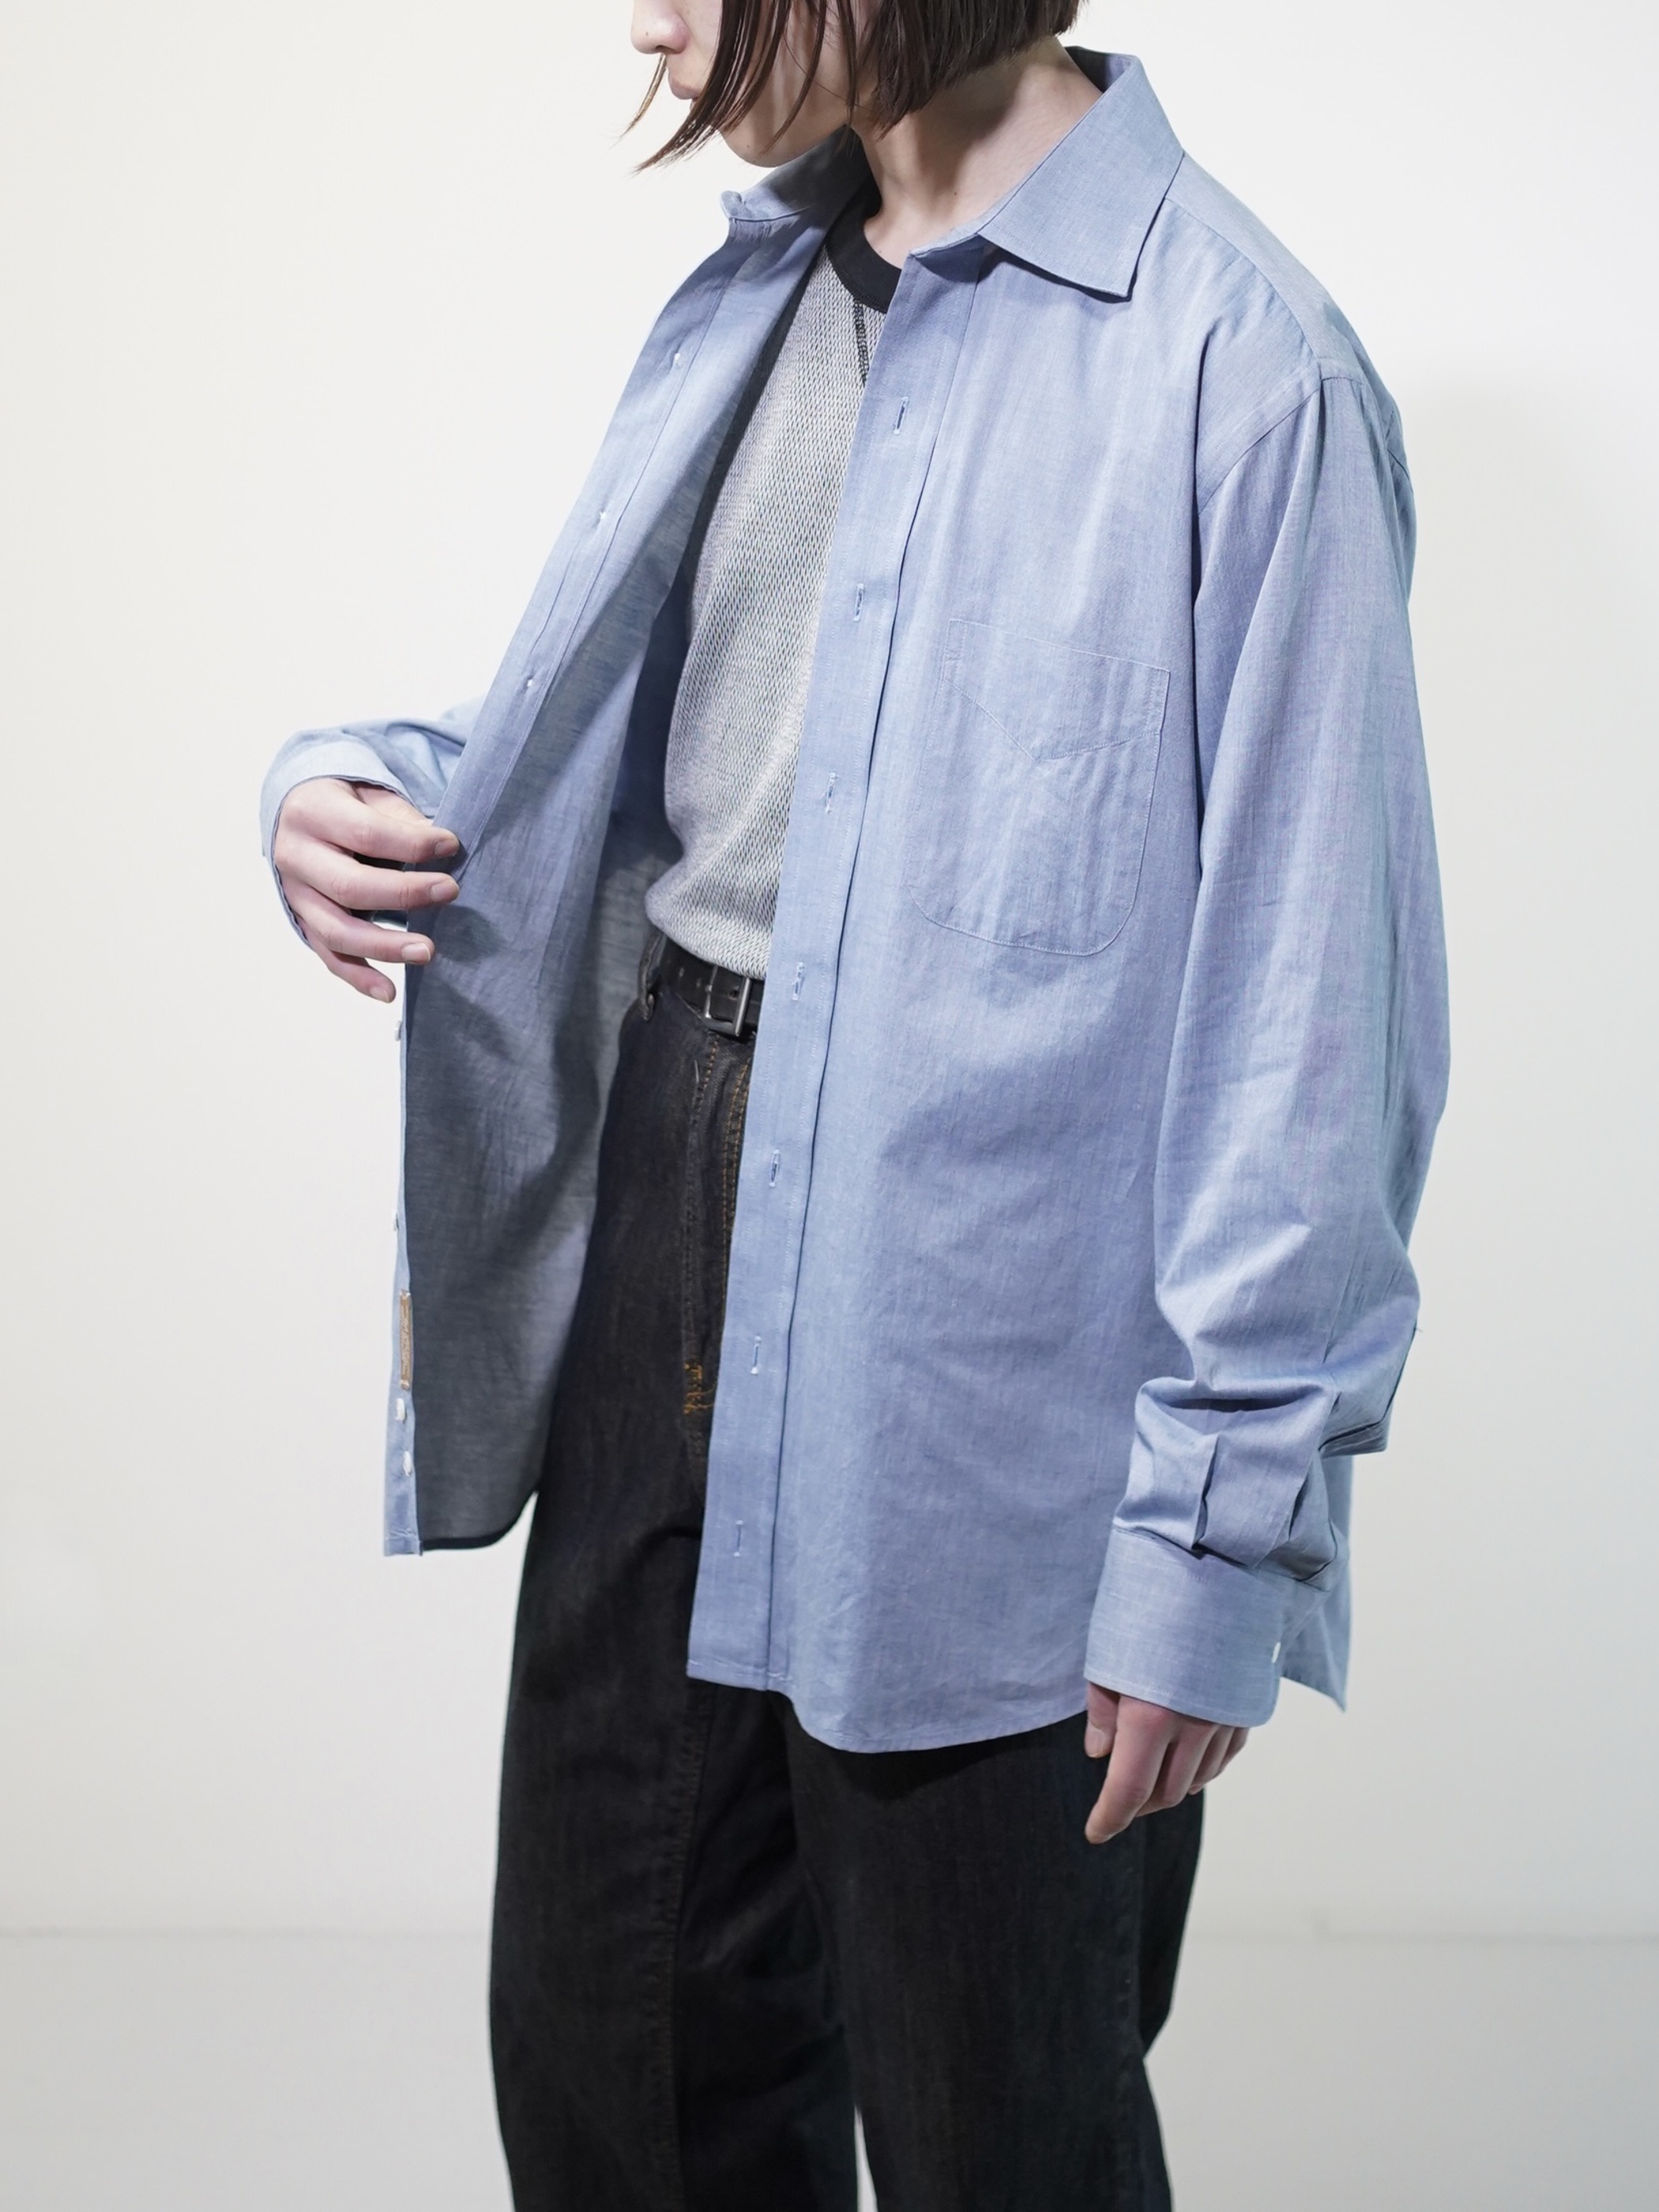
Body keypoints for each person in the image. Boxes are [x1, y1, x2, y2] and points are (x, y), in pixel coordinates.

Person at [262, 4, 1448, 2206]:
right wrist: (352, 793)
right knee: (619, 2064)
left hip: (994, 1370)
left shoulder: (1243, 368)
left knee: (1003, 2122)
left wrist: (1214, 1541)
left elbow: (1314, 1018)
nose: (650, 18)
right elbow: (682, 764)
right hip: (667, 1221)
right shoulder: (757, 289)